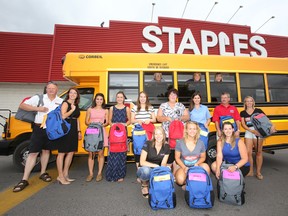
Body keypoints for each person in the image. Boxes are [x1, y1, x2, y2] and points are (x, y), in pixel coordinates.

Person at [13, 81, 63, 192]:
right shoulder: (38, 98)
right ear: (46, 89)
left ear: (56, 89)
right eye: (49, 88)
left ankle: (43, 172)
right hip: (39, 128)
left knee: (46, 151)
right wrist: (38, 109)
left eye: (53, 88)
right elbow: (22, 105)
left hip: (51, 129)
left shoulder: (60, 101)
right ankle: (24, 179)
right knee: (33, 152)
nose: (51, 90)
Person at [52, 87, 81, 185]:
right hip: (65, 129)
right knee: (62, 153)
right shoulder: (65, 103)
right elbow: (63, 116)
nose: (73, 94)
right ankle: (60, 176)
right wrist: (72, 110)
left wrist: (79, 131)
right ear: (68, 94)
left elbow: (77, 119)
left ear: (77, 95)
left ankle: (65, 174)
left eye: (75, 93)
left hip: (73, 129)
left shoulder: (76, 105)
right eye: (71, 93)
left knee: (71, 152)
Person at [157, 88, 190, 166]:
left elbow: (187, 117)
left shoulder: (180, 105)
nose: (173, 96)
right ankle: (167, 171)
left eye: (174, 94)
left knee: (179, 153)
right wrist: (167, 118)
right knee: (168, 154)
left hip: (179, 135)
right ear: (168, 96)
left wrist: (179, 118)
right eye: (171, 94)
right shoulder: (163, 105)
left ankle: (177, 170)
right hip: (167, 134)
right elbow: (158, 118)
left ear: (177, 97)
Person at [136, 126, 170, 198]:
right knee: (146, 171)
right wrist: (156, 166)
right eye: (156, 134)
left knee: (167, 170)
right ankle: (144, 184)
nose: (158, 136)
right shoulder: (147, 144)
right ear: (153, 135)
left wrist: (162, 169)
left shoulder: (166, 146)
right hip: (144, 167)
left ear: (164, 135)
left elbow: (163, 163)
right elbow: (142, 162)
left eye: (160, 134)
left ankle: (151, 180)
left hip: (157, 169)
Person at [174, 121, 210, 187]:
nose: (192, 131)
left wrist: (197, 164)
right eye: (190, 129)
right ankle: (188, 184)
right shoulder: (180, 142)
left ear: (197, 130)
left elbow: (203, 157)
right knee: (180, 180)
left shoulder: (201, 143)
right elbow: (177, 158)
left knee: (206, 167)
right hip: (184, 166)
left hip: (196, 165)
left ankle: (197, 183)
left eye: (194, 129)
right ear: (186, 130)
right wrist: (184, 167)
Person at [106, 91, 131, 182]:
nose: (119, 99)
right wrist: (113, 124)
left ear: (124, 98)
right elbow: (109, 120)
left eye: (121, 97)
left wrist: (124, 124)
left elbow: (129, 121)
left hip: (123, 132)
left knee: (122, 153)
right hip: (113, 132)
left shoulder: (127, 109)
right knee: (112, 152)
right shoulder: (112, 108)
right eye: (118, 97)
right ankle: (112, 175)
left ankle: (120, 175)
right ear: (116, 98)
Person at [240, 96, 267, 180]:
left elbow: (264, 121)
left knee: (258, 152)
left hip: (258, 132)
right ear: (245, 103)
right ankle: (251, 171)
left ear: (253, 102)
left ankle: (258, 172)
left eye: (250, 101)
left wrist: (258, 130)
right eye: (247, 101)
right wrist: (251, 131)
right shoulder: (243, 112)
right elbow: (243, 124)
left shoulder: (258, 111)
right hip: (249, 132)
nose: (249, 103)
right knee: (248, 153)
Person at [85, 93, 109, 182]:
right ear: (95, 100)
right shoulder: (90, 109)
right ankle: (90, 173)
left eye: (101, 99)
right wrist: (92, 124)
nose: (99, 101)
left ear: (103, 101)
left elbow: (107, 122)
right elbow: (86, 121)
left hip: (101, 131)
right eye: (97, 99)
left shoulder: (106, 110)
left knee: (100, 153)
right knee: (91, 153)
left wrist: (102, 124)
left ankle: (99, 173)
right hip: (91, 131)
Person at [131, 91, 156, 169]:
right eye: (141, 97)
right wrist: (137, 121)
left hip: (148, 132)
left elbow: (154, 119)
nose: (142, 98)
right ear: (138, 98)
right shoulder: (134, 108)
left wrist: (149, 120)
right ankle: (139, 171)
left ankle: (147, 169)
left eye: (144, 97)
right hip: (138, 132)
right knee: (138, 150)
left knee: (148, 149)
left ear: (147, 98)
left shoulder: (150, 107)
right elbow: (132, 120)